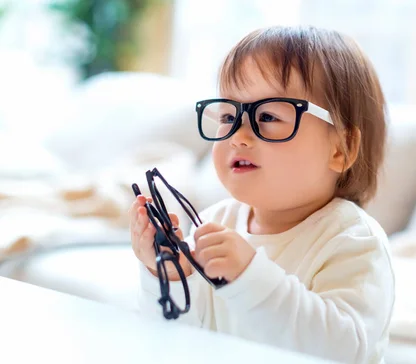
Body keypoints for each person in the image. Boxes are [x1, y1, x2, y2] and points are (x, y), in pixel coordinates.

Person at [129, 25, 395, 364]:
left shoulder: (353, 240)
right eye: (228, 115)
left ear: (341, 149)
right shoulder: (215, 222)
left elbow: (342, 350)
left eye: (268, 116)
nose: (238, 136)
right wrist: (165, 277)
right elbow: (179, 342)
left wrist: (250, 276)